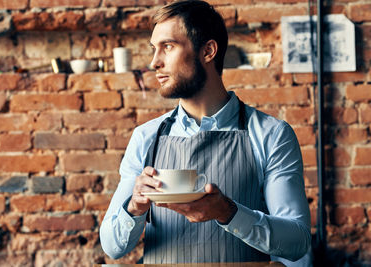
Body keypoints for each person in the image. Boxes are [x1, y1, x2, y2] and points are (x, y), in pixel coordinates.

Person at [100, 0, 311, 265]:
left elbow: (298, 242)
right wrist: (134, 208)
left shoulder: (272, 135)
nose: (154, 62)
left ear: (208, 51)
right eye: (154, 49)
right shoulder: (146, 137)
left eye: (168, 46)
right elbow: (111, 247)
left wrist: (228, 213)